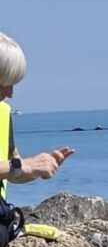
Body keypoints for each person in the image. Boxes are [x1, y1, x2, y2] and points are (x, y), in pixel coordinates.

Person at [0, 32, 75, 200]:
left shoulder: (3, 112)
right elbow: (17, 167)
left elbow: (14, 172)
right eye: (4, 83)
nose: (10, 93)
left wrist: (40, 168)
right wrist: (25, 166)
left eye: (13, 84)